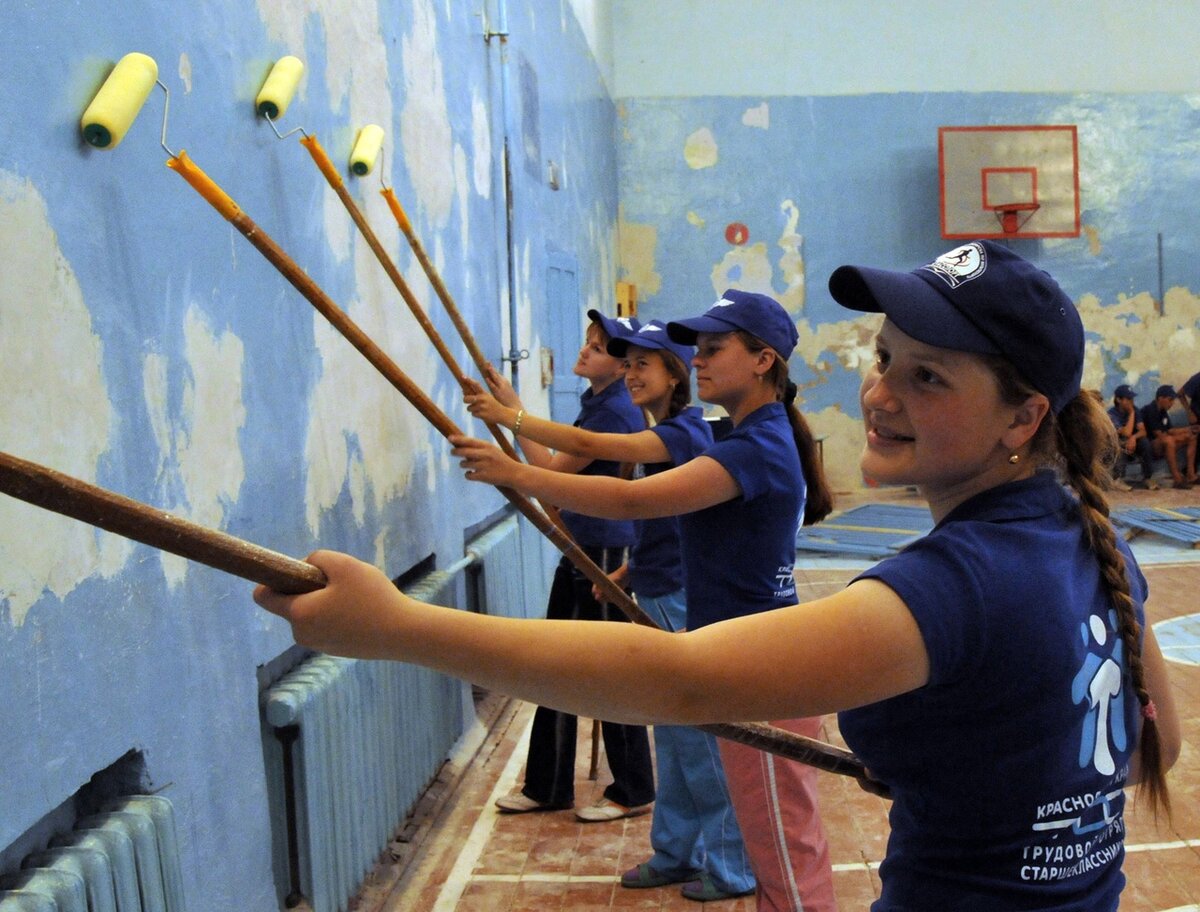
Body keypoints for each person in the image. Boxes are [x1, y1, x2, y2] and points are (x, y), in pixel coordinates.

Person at [255, 242, 1180, 911]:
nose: (880, 392)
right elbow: (1157, 748)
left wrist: (397, 627)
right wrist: (986, 773)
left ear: (1022, 419)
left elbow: (679, 678)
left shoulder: (952, 584)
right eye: (883, 358)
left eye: (929, 378)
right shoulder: (1093, 543)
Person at [456, 289, 838, 910]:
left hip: (757, 656)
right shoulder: (742, 434)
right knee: (732, 791)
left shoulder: (753, 447)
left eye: (714, 349)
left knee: (782, 841)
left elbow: (634, 500)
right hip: (728, 645)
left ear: (764, 360)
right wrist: (515, 425)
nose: (701, 360)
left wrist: (518, 470)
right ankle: (684, 849)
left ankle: (727, 862)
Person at [482, 308, 656, 823]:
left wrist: (508, 415)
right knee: (553, 665)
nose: (584, 351)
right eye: (587, 341)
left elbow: (551, 470)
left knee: (606, 670)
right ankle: (549, 783)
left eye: (597, 348)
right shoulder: (598, 402)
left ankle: (633, 786)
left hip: (602, 551)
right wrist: (511, 410)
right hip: (582, 544)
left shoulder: (616, 412)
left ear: (623, 366)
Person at [1138, 384, 1198, 489]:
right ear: (1160, 398)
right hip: (1150, 448)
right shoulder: (1150, 410)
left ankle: (1190, 475)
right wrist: (1179, 437)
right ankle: (1177, 479)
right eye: (1170, 400)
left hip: (1163, 443)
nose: (1172, 403)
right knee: (1169, 440)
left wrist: (1189, 429)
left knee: (1191, 436)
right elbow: (1160, 435)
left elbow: (1170, 430)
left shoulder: (1163, 412)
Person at [1107, 384, 1158, 489]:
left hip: (1132, 445)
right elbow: (1126, 433)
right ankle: (1117, 479)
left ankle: (1148, 477)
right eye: (1128, 399)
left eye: (1132, 398)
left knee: (1144, 442)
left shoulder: (1135, 410)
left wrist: (1133, 438)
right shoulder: (1112, 414)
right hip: (1117, 447)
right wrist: (1131, 414)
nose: (1132, 401)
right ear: (1119, 400)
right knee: (1121, 442)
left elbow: (1143, 431)